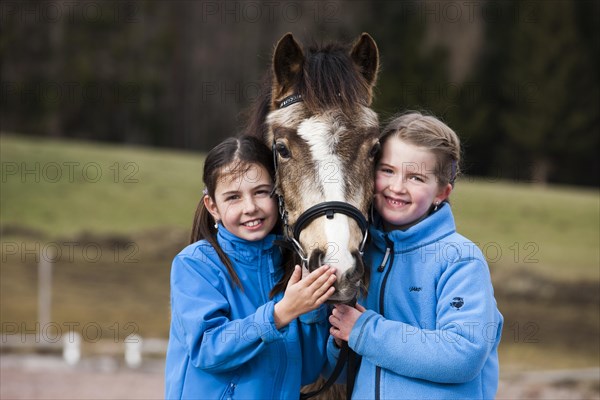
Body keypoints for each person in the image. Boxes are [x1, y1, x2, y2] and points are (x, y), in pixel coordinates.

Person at [328, 112, 503, 399]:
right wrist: (339, 341)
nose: (397, 186)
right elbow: (341, 364)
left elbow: (463, 354)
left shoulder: (459, 259)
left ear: (441, 193)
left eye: (416, 177)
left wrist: (365, 331)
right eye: (387, 170)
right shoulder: (362, 252)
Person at [165, 135, 337, 399]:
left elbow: (308, 373)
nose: (250, 207)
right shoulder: (195, 264)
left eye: (261, 192)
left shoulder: (292, 266)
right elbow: (208, 349)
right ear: (213, 207)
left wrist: (315, 317)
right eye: (233, 197)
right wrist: (280, 314)